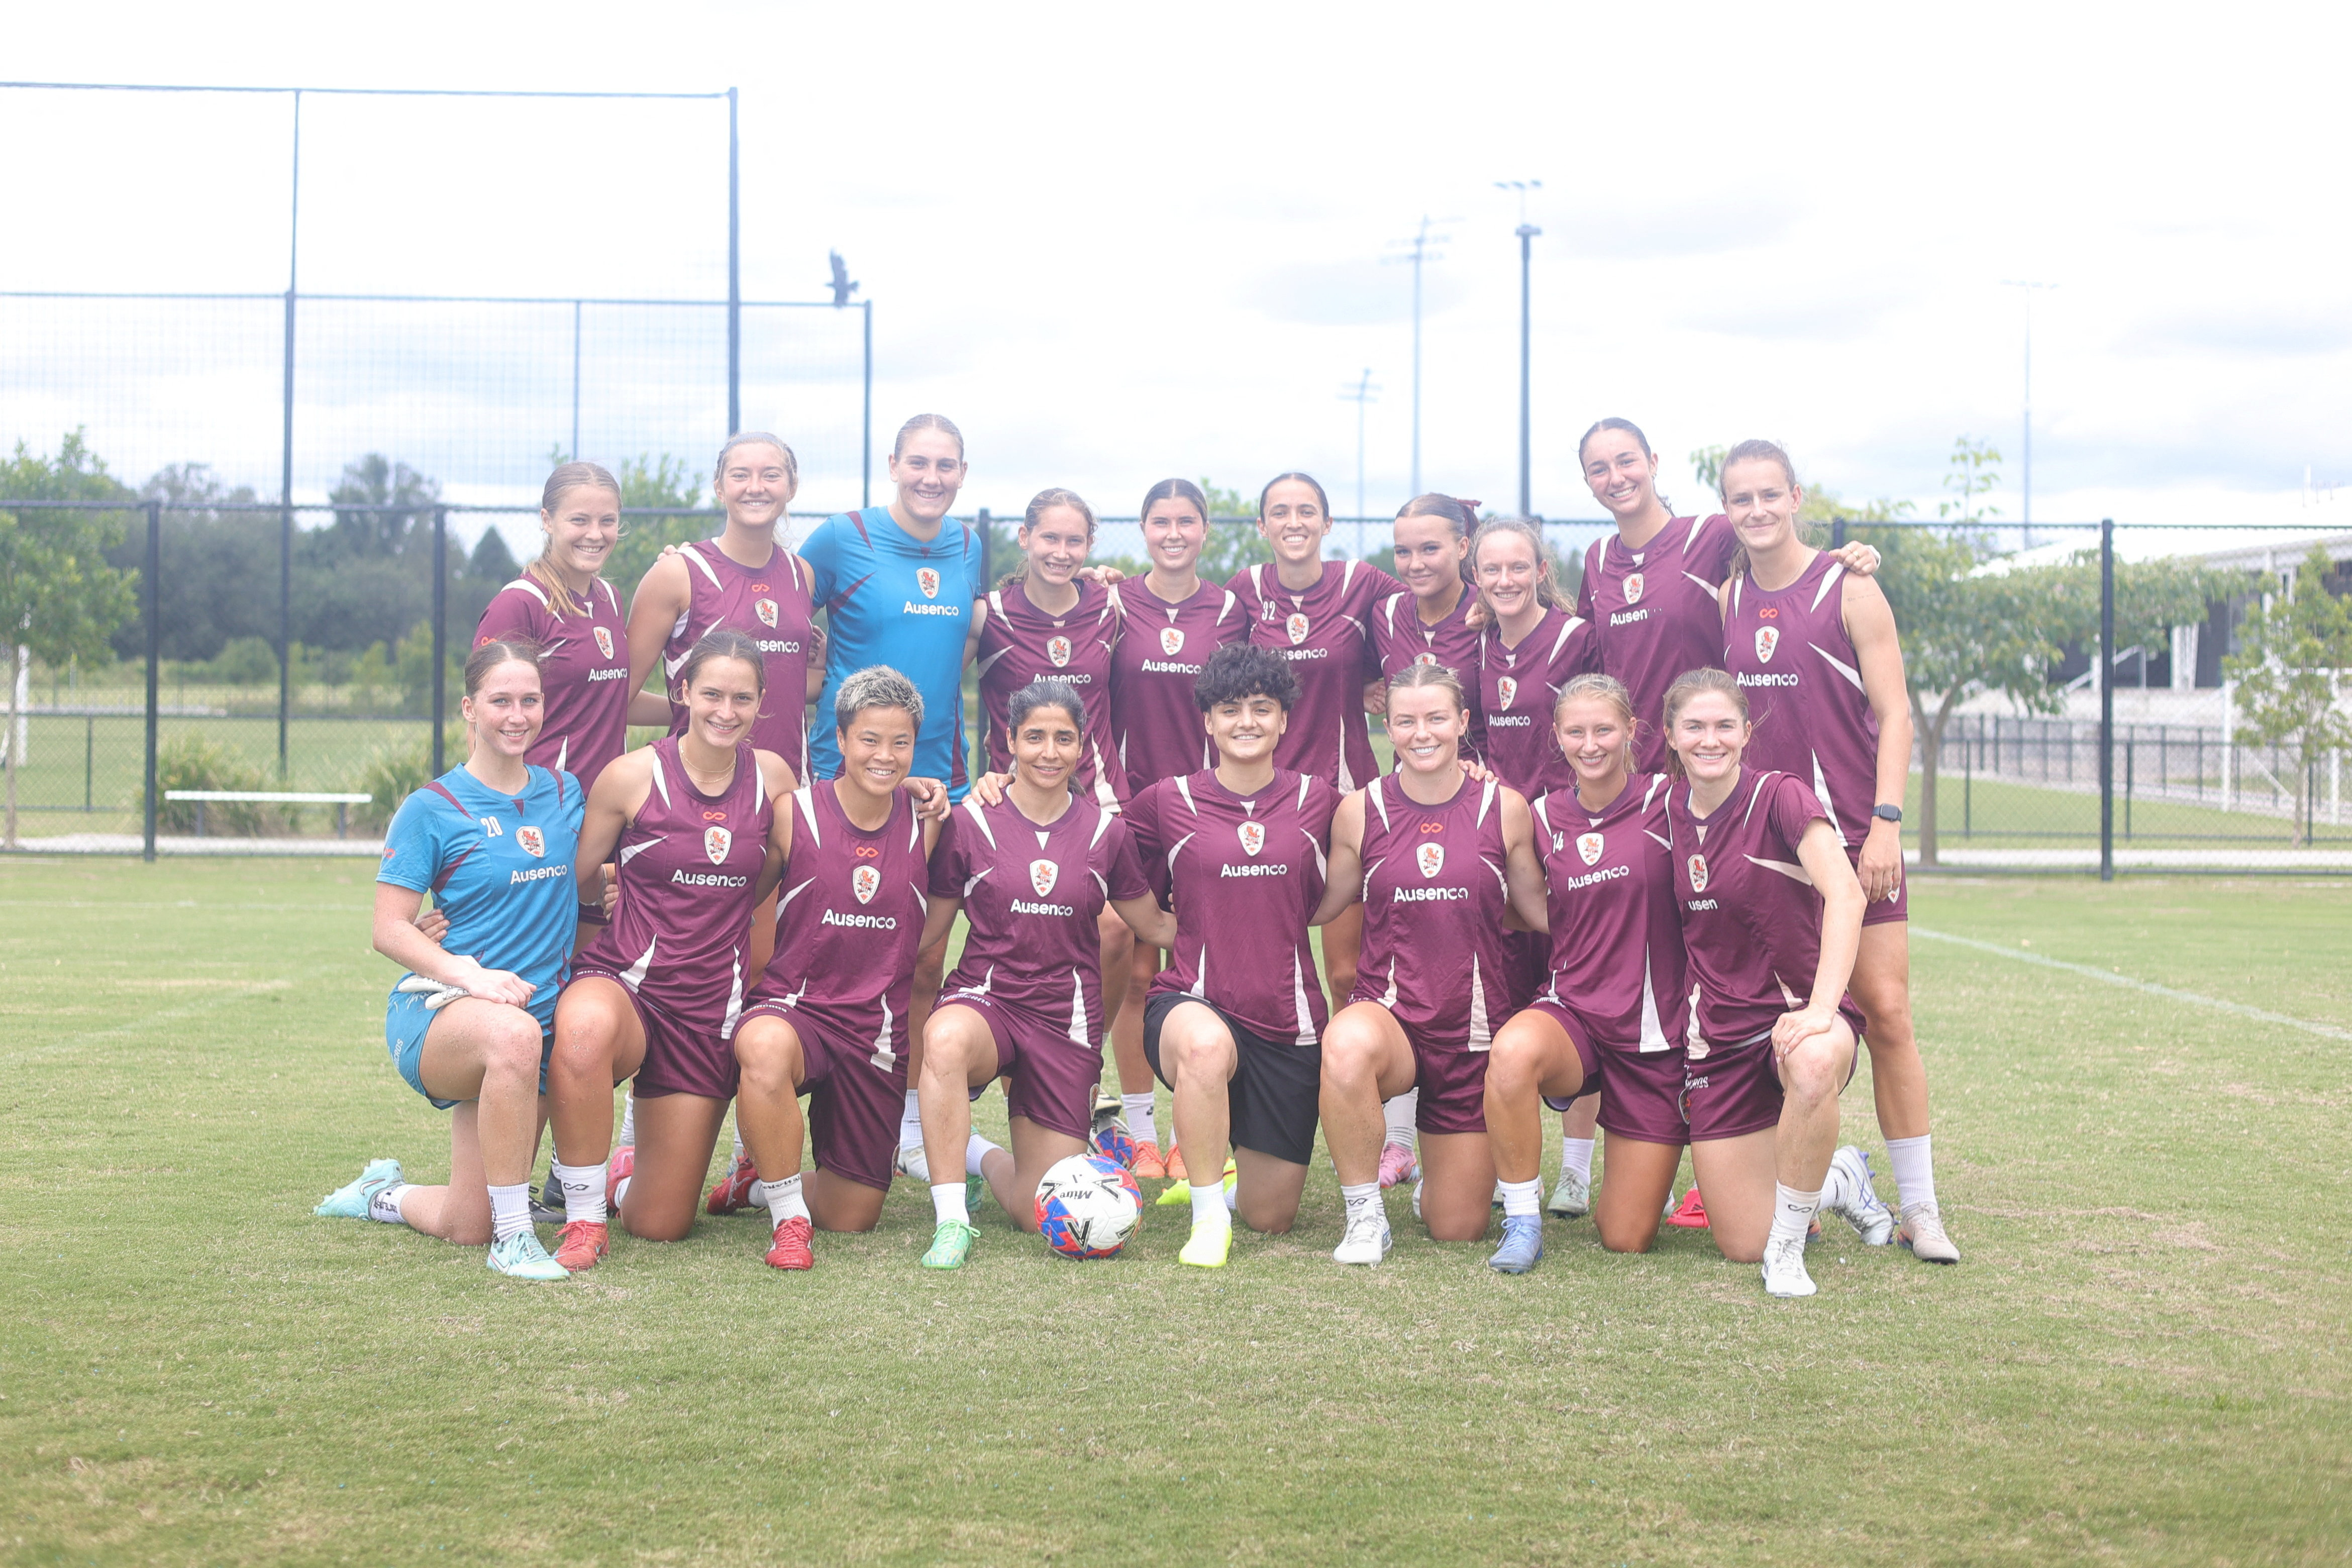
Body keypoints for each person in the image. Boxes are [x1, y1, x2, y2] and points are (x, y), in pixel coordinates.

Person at [1715, 439, 1958, 1263]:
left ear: (1795, 496)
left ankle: (1920, 1208)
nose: (1755, 510)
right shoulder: (1727, 597)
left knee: (1886, 1014)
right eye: (1740, 498)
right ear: (1727, 508)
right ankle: (1808, 1179)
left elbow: (1895, 714)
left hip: (1856, 839)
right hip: (1771, 852)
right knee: (1763, 1022)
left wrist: (1885, 822)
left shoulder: (1851, 585)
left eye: (1768, 495)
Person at [314, 639, 582, 1282]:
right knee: (515, 1035)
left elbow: (587, 875)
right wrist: (471, 975)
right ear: (469, 708)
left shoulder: (565, 791)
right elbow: (388, 929)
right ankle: (516, 1241)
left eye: (530, 700)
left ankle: (382, 1193)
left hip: (526, 1025)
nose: (516, 715)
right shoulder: (431, 807)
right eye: (500, 701)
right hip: (445, 1016)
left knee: (466, 1222)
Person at [543, 630, 795, 1271]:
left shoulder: (772, 777)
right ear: (683, 691)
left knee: (660, 1224)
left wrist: (915, 797)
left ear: (761, 702)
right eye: (711, 693)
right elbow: (570, 878)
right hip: (625, 983)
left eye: (742, 697)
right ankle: (580, 1219)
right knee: (581, 1031)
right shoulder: (630, 775)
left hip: (709, 1007)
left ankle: (623, 1172)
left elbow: (783, 865)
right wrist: (460, 922)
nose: (725, 710)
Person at [912, 680, 1174, 1270]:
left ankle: (976, 1155)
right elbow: (929, 932)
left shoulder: (1107, 834)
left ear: (1082, 746)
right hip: (988, 1001)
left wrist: (1253, 919)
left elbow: (1152, 926)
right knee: (947, 1038)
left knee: (1037, 1211)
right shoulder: (969, 821)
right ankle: (951, 1219)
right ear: (1008, 741)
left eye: (1063, 738)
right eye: (1034, 737)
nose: (1048, 751)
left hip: (1064, 1021)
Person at [796, 414, 989, 1184]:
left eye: (945, 464)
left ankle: (910, 1125)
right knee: (813, 948)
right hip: (843, 777)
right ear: (892, 464)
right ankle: (765, 1123)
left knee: (922, 957)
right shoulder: (841, 537)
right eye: (918, 462)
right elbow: (775, 611)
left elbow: (968, 643)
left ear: (962, 473)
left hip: (937, 780)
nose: (931, 476)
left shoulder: (970, 546)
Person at [1660, 667, 1893, 1298]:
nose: (1710, 740)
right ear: (1670, 735)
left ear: (1746, 731)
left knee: (1815, 1061)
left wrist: (1822, 1009)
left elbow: (1845, 894)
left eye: (1724, 726)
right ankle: (1842, 1179)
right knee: (1740, 1242)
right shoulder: (1660, 807)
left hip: (1798, 1015)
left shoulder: (1781, 795)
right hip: (1719, 1036)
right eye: (1694, 727)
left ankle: (1788, 1253)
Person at [1312, 663, 1547, 1265]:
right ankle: (1365, 1216)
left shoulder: (1507, 806)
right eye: (1406, 720)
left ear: (1463, 722)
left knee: (1457, 1227)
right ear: (1385, 724)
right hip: (1392, 1021)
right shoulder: (1358, 810)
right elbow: (1321, 903)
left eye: (1437, 718)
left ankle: (1437, 1187)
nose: (1422, 733)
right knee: (1343, 1043)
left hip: (1472, 1036)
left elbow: (1538, 912)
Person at [1123, 644, 1340, 1267]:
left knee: (1272, 1217)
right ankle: (1207, 1216)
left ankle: (1234, 1187)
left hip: (1287, 1019)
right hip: (1192, 1002)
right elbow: (1105, 861)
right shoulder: (1166, 801)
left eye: (1261, 708)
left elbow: (1377, 848)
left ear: (1283, 721)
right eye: (1229, 709)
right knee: (1206, 1048)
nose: (1246, 721)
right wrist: (1175, 930)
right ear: (1208, 721)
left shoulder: (1321, 800)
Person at [727, 667, 941, 1271]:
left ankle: (759, 1178)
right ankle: (789, 1220)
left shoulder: (931, 819)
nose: (885, 755)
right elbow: (729, 894)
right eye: (870, 739)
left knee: (852, 1218)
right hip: (797, 1013)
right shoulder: (793, 813)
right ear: (841, 740)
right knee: (763, 1046)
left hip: (873, 1034)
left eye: (901, 743)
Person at [1481, 674, 1689, 1273]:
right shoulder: (1540, 815)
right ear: (1557, 736)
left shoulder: (1666, 800)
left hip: (1655, 1036)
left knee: (1625, 1235)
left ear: (1632, 731)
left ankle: (1832, 1174)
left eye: (1604, 729)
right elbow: (1519, 902)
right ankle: (1522, 1222)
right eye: (1576, 731)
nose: (1590, 744)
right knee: (1513, 1052)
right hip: (1573, 1013)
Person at [1574, 419, 1880, 772]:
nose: (1616, 477)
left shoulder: (1710, 535)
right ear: (1587, 482)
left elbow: (1789, 561)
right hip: (1631, 780)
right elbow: (1581, 658)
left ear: (1652, 462)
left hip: (1707, 770)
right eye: (1599, 469)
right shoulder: (1596, 560)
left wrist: (1864, 555)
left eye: (1626, 461)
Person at [1227, 472, 1400, 1061]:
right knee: (1258, 965)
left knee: (1349, 970)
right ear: (1261, 526)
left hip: (1345, 798)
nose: (1293, 522)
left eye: (1306, 511)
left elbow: (1432, 603)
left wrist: (1378, 680)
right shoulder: (1244, 589)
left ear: (1328, 524)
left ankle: (1366, 1101)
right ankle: (1269, 1082)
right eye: (1279, 511)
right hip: (1266, 800)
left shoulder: (1362, 581)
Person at [1104, 477, 1248, 1179]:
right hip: (1134, 811)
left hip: (1205, 812)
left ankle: (1204, 1138)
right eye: (1159, 520)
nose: (1172, 532)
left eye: (1185, 521)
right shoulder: (1114, 599)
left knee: (1209, 971)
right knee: (1135, 974)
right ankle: (1140, 1134)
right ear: (1142, 527)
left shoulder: (1231, 607)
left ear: (1204, 529)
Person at [1469, 516, 1605, 1220]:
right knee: (1508, 996)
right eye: (1491, 569)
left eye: (1517, 567)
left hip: (1569, 837)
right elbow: (1480, 741)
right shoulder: (1480, 645)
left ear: (1540, 568)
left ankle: (1576, 1171)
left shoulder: (1575, 637)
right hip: (1503, 844)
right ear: (1476, 577)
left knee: (1580, 991)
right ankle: (1508, 1163)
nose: (1504, 580)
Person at [1363, 494, 1492, 1192]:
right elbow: (1348, 677)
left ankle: (1512, 1150)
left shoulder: (1491, 606)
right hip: (1403, 811)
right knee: (1402, 970)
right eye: (1403, 551)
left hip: (1481, 812)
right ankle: (1399, 1140)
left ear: (1464, 546)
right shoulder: (1383, 611)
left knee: (1488, 980)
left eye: (1430, 549)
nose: (1414, 563)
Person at [624, 433, 818, 783]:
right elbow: (617, 698)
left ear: (791, 488)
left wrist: (823, 663)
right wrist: (694, 709)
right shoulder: (677, 573)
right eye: (740, 475)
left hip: (788, 788)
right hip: (700, 791)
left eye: (771, 475)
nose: (755, 487)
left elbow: (787, 688)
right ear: (719, 487)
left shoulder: (800, 573)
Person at [473, 463, 631, 796]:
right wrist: (491, 808)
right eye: (579, 520)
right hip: (542, 807)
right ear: (547, 520)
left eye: (607, 521)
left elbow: (612, 695)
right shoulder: (520, 604)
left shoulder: (610, 599)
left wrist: (696, 704)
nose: (595, 533)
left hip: (607, 808)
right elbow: (481, 718)